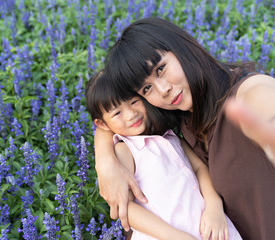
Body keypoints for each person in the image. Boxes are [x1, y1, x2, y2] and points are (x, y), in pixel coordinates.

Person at [94, 17, 275, 240]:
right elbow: (113, 115)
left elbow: (263, 98)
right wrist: (104, 160)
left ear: (183, 47)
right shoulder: (179, 121)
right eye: (147, 88)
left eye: (161, 68)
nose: (163, 90)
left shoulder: (246, 94)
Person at [86, 70, 242, 240]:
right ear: (102, 123)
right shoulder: (125, 151)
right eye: (117, 113)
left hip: (208, 227)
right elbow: (125, 207)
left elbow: (199, 169)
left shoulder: (170, 136)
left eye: (134, 102)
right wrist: (172, 236)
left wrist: (214, 206)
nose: (131, 114)